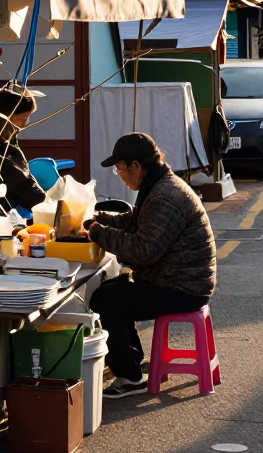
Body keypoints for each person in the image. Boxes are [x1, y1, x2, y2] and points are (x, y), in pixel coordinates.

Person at [88, 132, 217, 398]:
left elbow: (143, 250)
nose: (120, 174)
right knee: (112, 290)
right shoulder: (159, 186)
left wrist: (98, 233)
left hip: (182, 288)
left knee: (108, 298)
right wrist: (93, 220)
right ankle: (131, 361)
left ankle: (130, 377)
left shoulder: (163, 196)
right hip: (177, 280)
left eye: (120, 168)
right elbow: (134, 223)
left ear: (136, 166)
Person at [0, 84, 46, 212]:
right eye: (22, 118)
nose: (25, 124)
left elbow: (24, 177)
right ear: (6, 115)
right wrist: (46, 205)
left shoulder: (9, 135)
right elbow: (18, 182)